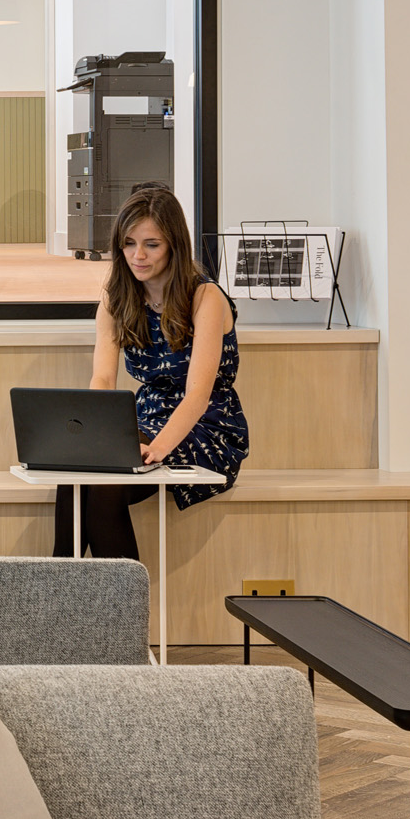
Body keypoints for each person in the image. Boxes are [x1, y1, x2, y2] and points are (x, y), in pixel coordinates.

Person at [51, 185, 247, 559]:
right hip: (145, 420)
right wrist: (96, 436)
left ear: (174, 244)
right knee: (78, 473)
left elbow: (198, 395)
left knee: (106, 484)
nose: (137, 255)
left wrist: (156, 449)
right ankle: (61, 593)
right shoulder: (117, 297)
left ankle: (122, 613)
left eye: (151, 244)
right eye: (128, 243)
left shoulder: (205, 298)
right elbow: (103, 379)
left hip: (206, 426)